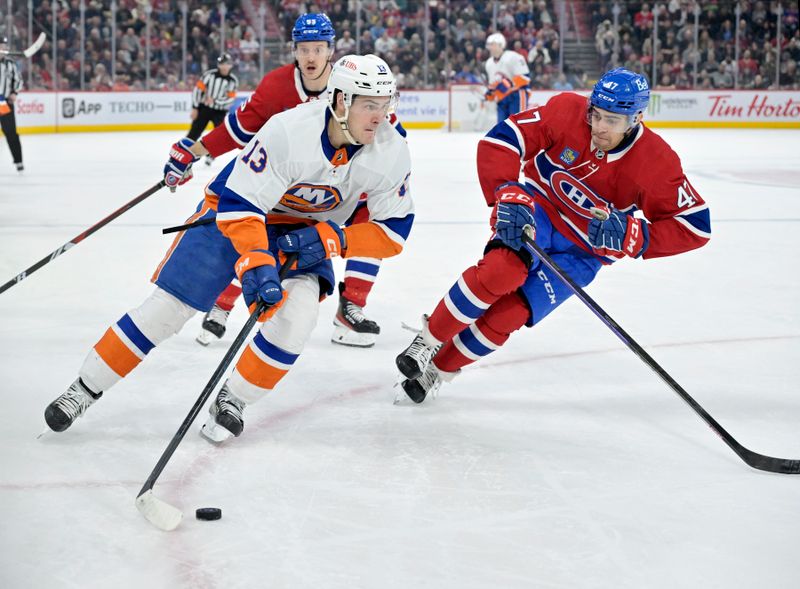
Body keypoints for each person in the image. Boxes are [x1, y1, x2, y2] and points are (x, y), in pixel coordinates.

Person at [44, 54, 414, 442]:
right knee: (168, 309)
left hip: (304, 230)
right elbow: (242, 205)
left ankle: (233, 398)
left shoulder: (391, 149)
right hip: (234, 211)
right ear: (340, 101)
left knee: (297, 319)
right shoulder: (289, 131)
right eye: (370, 105)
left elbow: (394, 230)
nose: (380, 115)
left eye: (386, 104)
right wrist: (256, 264)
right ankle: (84, 389)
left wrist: (334, 239)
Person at [395, 67, 711, 403]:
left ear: (636, 118)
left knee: (513, 312)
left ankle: (438, 370)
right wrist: (506, 189)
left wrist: (637, 235)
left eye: (612, 121)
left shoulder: (656, 162)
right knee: (502, 269)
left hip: (585, 254)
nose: (600, 127)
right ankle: (428, 340)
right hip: (540, 212)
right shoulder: (566, 112)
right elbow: (502, 139)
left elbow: (695, 225)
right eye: (596, 115)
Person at [164, 13, 405, 349]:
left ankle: (352, 305)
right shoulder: (277, 85)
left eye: (318, 49)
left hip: (337, 189)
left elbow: (385, 130)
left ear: (330, 51)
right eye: (304, 49)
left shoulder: (353, 83)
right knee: (252, 226)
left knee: (371, 218)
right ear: (294, 50)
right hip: (282, 189)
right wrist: (194, 150)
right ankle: (222, 306)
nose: (311, 56)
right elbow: (240, 128)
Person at [186, 52, 239, 166]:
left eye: (227, 64)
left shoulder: (232, 80)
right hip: (204, 109)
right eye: (222, 64)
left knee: (219, 136)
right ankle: (184, 154)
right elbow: (197, 90)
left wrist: (215, 101)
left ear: (230, 66)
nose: (225, 67)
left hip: (220, 112)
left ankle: (212, 155)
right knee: (193, 133)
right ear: (218, 65)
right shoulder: (209, 75)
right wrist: (195, 107)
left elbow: (230, 100)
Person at [483, 32, 531, 125]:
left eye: (493, 44)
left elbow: (525, 78)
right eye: (489, 45)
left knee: (518, 125)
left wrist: (506, 84)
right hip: (502, 99)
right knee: (502, 128)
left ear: (501, 45)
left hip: (517, 95)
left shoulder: (513, 57)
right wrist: (490, 93)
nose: (490, 47)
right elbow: (493, 84)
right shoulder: (488, 63)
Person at [0, 37, 24, 172]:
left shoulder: (10, 64)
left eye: (5, 47)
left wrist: (15, 92)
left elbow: (18, 81)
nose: (4, 49)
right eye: (1, 47)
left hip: (2, 102)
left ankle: (18, 161)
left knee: (10, 132)